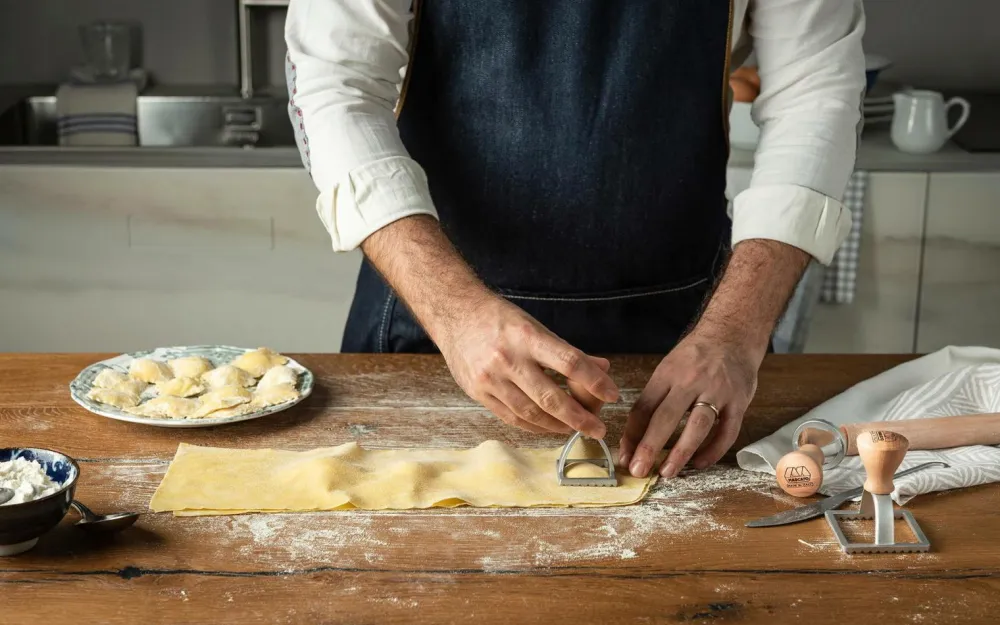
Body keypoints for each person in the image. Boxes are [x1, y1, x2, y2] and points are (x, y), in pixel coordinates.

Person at [285, 0, 865, 480]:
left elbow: (816, 93)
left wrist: (734, 335)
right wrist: (456, 312)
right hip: (431, 326)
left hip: (689, 337)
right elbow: (336, 84)